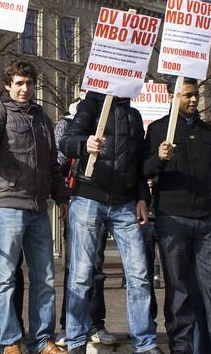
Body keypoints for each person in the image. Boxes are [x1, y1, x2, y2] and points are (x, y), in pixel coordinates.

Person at [0, 60, 68, 354]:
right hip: (8, 207)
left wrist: (62, 198)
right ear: (8, 85)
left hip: (39, 210)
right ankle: (10, 341)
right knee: (5, 277)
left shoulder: (43, 118)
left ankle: (43, 340)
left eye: (29, 83)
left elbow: (52, 164)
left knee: (45, 278)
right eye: (19, 83)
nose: (25, 89)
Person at [143, 77, 211, 354]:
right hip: (171, 220)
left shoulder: (207, 132)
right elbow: (144, 171)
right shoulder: (157, 130)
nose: (193, 100)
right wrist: (158, 159)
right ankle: (181, 348)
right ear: (173, 97)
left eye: (195, 95)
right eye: (187, 95)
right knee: (179, 291)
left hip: (207, 222)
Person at [59, 91, 159, 354]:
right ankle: (76, 341)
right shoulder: (90, 105)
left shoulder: (134, 115)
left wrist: (141, 197)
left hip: (125, 202)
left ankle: (145, 343)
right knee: (81, 275)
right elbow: (66, 141)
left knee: (139, 276)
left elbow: (137, 162)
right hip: (89, 197)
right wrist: (84, 145)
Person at [54, 92, 117, 346]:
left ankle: (95, 323)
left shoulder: (109, 120)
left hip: (101, 198)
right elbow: (58, 160)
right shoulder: (66, 123)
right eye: (84, 91)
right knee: (75, 268)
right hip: (76, 199)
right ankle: (68, 325)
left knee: (96, 266)